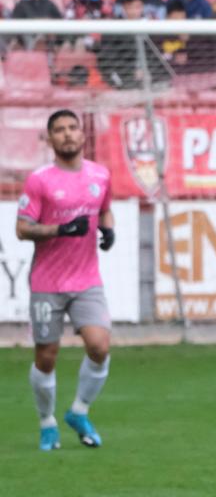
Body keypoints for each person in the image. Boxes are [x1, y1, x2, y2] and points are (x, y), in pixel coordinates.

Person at [18, 110, 117, 451]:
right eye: (59, 130)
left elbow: (104, 208)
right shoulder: (39, 180)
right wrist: (60, 229)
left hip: (87, 279)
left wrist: (108, 229)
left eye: (72, 127)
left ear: (82, 134)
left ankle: (79, 411)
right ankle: (47, 423)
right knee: (47, 356)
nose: (67, 134)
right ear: (50, 139)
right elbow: (22, 228)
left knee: (99, 347)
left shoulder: (100, 174)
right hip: (47, 282)